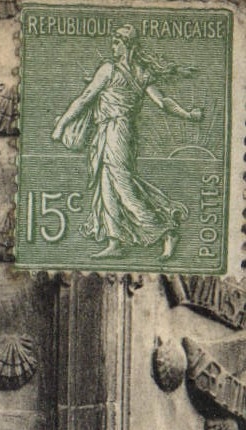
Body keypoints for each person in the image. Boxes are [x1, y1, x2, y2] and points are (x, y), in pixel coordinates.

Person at [51, 24, 202, 259]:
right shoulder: (140, 73)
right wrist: (188, 114)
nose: (112, 46)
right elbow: (163, 102)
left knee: (122, 185)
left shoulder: (110, 70)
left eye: (116, 42)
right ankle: (115, 241)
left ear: (127, 44)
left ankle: (165, 231)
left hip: (117, 131)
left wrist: (61, 125)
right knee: (107, 185)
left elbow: (85, 98)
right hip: (112, 131)